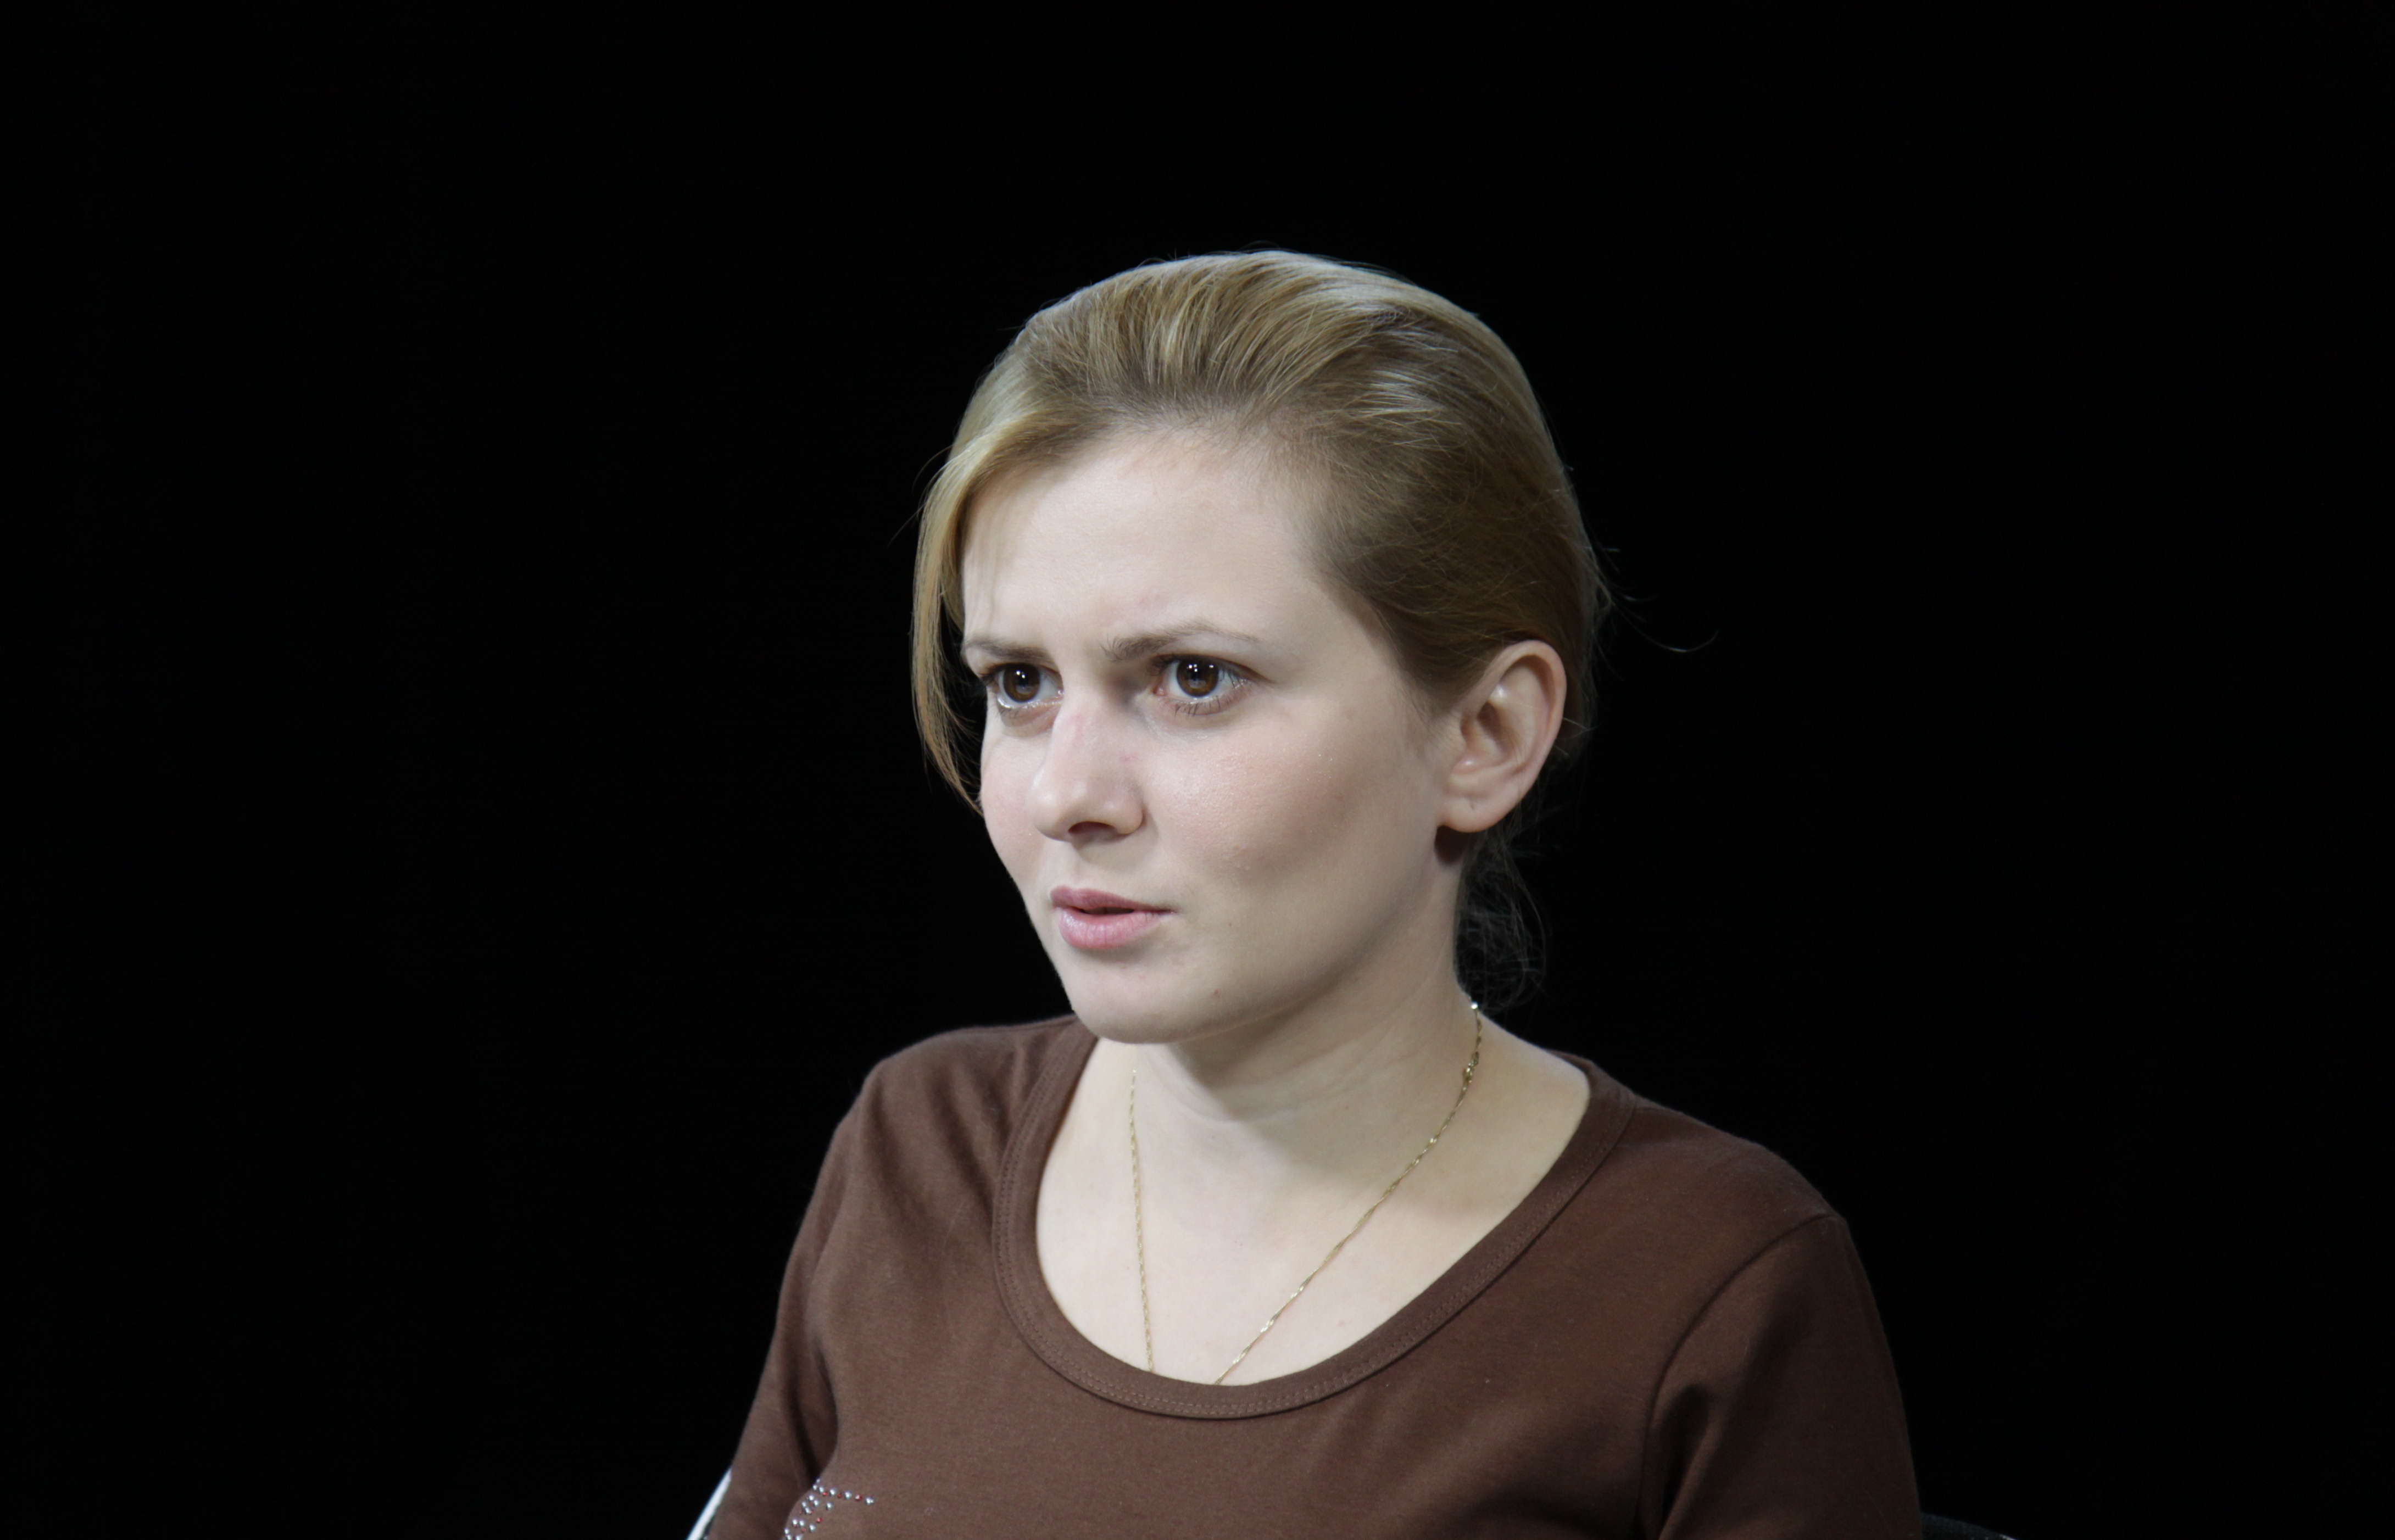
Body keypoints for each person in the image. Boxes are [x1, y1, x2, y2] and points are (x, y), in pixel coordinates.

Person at [710, 252, 1917, 1538]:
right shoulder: (917, 1147)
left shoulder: (1708, 1286)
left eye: (1192, 678)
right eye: (1019, 683)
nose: (1065, 793)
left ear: (1485, 735)